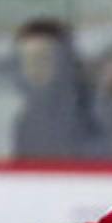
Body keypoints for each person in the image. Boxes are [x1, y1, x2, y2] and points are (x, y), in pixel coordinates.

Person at [9, 18, 95, 159]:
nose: (34, 68)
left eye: (43, 57)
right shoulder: (25, 123)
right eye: (26, 60)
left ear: (65, 59)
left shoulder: (95, 114)